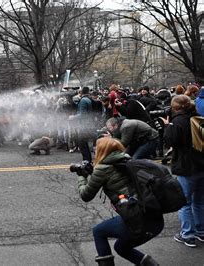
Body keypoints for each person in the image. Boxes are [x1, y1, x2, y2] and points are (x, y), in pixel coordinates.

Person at [77, 137, 162, 265]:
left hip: (138, 223)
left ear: (101, 151)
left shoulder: (103, 169)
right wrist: (92, 173)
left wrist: (82, 177)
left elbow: (85, 195)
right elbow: (114, 176)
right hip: (155, 220)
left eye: (96, 148)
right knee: (121, 248)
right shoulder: (128, 161)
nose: (94, 150)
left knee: (98, 231)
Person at [162, 95, 204, 247]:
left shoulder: (178, 121)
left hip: (186, 166)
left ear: (176, 107)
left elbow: (170, 141)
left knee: (184, 202)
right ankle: (201, 231)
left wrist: (167, 126)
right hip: (201, 164)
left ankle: (188, 234)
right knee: (199, 201)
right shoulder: (198, 118)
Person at [69, 87, 94, 162]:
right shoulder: (88, 99)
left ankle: (86, 161)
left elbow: (83, 114)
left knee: (82, 144)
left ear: (81, 92)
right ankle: (88, 160)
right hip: (88, 124)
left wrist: (73, 117)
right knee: (84, 144)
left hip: (84, 125)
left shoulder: (83, 100)